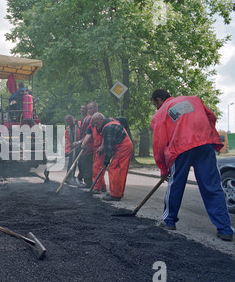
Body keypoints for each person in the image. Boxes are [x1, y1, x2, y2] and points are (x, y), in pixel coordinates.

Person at [150, 89, 233, 240]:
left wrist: (163, 167)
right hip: (204, 144)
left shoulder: (162, 112)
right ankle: (225, 229)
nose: (155, 107)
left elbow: (159, 142)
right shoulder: (194, 100)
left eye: (154, 104)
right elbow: (211, 117)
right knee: (213, 186)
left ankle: (169, 220)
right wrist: (207, 134)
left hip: (180, 148)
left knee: (176, 184)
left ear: (158, 100)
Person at [91, 113, 133, 201]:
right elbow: (105, 140)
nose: (95, 125)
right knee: (117, 169)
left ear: (101, 120)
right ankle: (117, 192)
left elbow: (109, 149)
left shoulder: (108, 128)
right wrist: (102, 147)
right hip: (123, 146)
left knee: (115, 169)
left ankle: (115, 195)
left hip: (123, 147)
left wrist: (105, 162)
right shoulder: (109, 121)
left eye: (96, 122)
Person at [81, 102, 106, 193]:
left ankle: (96, 188)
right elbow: (88, 134)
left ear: (96, 108)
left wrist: (102, 146)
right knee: (98, 167)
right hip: (96, 147)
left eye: (90, 108)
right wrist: (83, 144)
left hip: (101, 147)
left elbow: (105, 135)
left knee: (97, 168)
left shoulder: (101, 118)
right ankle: (102, 187)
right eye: (88, 109)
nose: (89, 110)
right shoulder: (90, 120)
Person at [77, 102, 98, 188]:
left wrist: (82, 142)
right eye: (81, 108)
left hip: (89, 145)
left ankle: (89, 182)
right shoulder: (83, 119)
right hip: (85, 144)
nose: (84, 110)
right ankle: (82, 179)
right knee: (81, 163)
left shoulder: (91, 119)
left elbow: (89, 133)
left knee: (87, 164)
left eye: (86, 109)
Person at [64, 115, 80, 184]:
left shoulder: (79, 124)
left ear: (72, 120)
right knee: (71, 162)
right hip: (73, 147)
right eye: (67, 122)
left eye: (69, 122)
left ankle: (80, 178)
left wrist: (81, 143)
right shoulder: (68, 129)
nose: (68, 124)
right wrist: (67, 151)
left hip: (81, 146)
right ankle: (69, 177)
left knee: (82, 164)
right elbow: (67, 140)